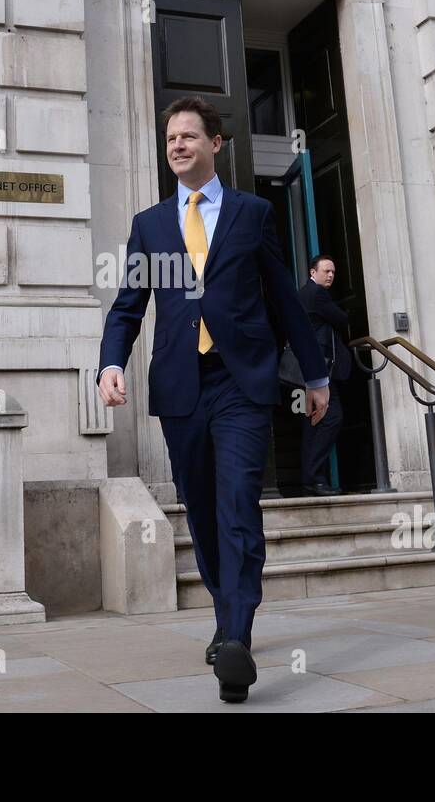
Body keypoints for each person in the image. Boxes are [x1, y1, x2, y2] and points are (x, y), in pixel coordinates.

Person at [97, 96, 329, 704]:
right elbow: (129, 305)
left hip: (241, 384)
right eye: (170, 137)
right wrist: (110, 363)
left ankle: (236, 637)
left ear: (216, 144)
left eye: (188, 136)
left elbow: (284, 298)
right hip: (181, 388)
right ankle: (226, 615)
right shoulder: (150, 225)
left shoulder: (253, 213)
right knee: (200, 509)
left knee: (236, 503)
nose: (177, 145)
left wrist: (316, 376)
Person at [298, 255, 352, 497]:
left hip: (309, 367)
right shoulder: (317, 294)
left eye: (333, 271)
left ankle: (313, 480)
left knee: (313, 421)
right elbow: (342, 319)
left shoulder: (302, 293)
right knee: (332, 418)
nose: (330, 275)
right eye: (326, 271)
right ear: (313, 272)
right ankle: (312, 476)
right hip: (320, 370)